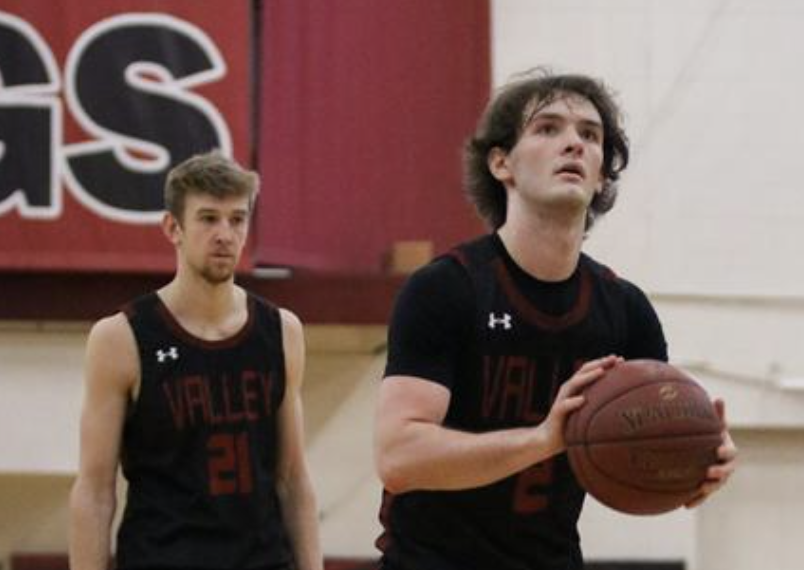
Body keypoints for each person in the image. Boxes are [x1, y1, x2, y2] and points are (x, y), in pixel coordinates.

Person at [373, 70, 737, 570]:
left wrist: (699, 459)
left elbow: (659, 426)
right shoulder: (446, 287)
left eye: (590, 135)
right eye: (548, 129)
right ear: (501, 163)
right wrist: (542, 440)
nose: (574, 143)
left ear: (602, 175)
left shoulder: (625, 310)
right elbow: (399, 458)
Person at [69, 151, 323, 570]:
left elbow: (293, 479)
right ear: (174, 227)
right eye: (208, 218)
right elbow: (95, 490)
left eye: (237, 219)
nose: (225, 233)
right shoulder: (121, 338)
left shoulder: (281, 331)